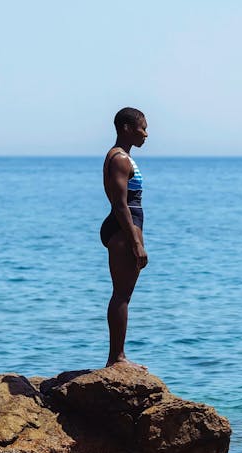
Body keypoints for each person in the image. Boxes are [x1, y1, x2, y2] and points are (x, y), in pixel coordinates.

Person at [100, 107, 149, 369]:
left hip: (124, 228)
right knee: (122, 295)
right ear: (127, 128)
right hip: (123, 230)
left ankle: (117, 356)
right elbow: (120, 205)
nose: (146, 134)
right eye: (143, 128)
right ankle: (116, 358)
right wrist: (136, 243)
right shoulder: (119, 159)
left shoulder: (123, 157)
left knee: (123, 294)